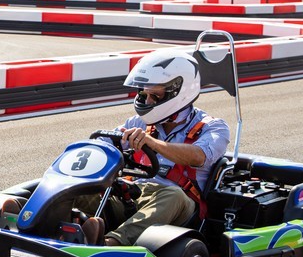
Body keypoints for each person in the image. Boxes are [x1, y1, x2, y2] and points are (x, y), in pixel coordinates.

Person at [81, 48, 230, 246]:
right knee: (81, 187)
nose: (148, 102)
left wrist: (152, 143)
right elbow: (105, 144)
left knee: (173, 195)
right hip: (133, 195)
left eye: (156, 96)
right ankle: (37, 220)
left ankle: (111, 244)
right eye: (144, 95)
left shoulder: (212, 127)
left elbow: (199, 156)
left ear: (179, 91)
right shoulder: (139, 123)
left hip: (178, 206)